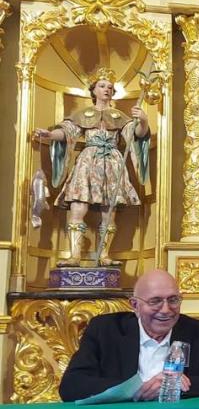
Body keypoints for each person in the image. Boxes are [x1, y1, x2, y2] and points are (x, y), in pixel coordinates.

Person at [33, 68, 151, 267]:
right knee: (78, 207)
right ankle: (74, 256)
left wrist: (144, 119)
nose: (107, 90)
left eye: (110, 87)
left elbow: (136, 134)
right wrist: (50, 135)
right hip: (88, 161)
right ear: (94, 90)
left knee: (109, 211)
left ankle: (104, 255)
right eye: (102, 86)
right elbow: (68, 132)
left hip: (111, 163)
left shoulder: (118, 116)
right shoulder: (83, 114)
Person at [59, 269, 199, 402]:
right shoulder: (105, 330)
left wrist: (172, 386)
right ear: (135, 305)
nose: (165, 310)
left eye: (173, 300)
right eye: (155, 301)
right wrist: (136, 389)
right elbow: (71, 385)